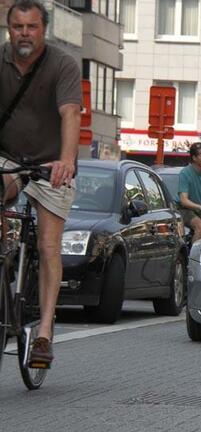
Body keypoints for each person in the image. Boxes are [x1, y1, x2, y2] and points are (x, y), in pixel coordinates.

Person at [0, 0, 82, 366]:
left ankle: (45, 333)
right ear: (8, 29)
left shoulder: (63, 64)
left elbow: (70, 112)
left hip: (52, 163)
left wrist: (66, 159)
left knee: (49, 244)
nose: (25, 34)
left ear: (44, 30)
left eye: (32, 27)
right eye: (18, 27)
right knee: (2, 186)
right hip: (8, 157)